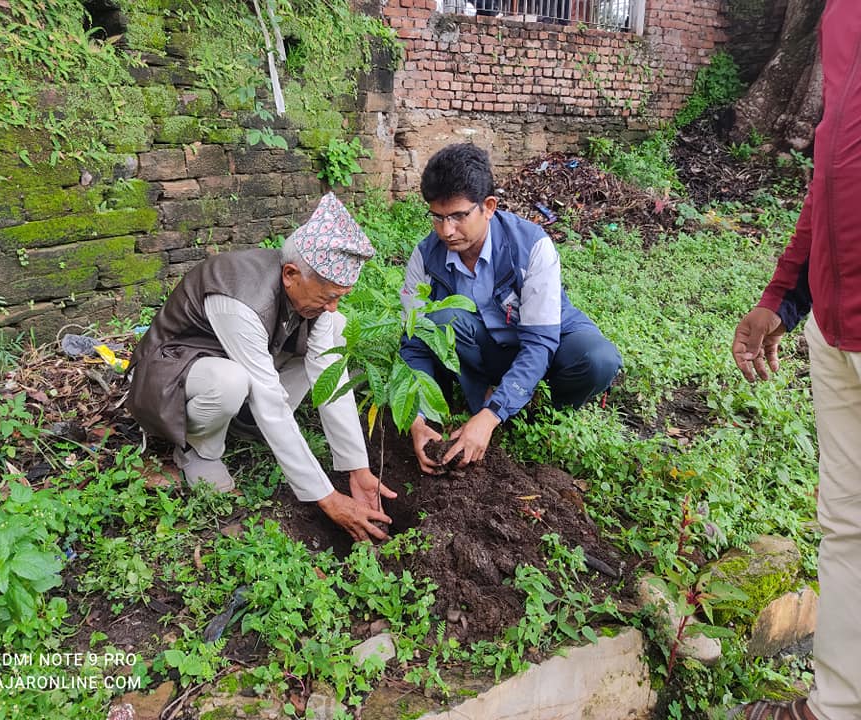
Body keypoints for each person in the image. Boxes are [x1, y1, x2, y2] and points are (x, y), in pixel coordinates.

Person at [127, 192, 395, 543]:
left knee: (337, 328)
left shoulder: (310, 298)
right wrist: (327, 499)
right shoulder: (240, 300)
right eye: (328, 296)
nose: (332, 306)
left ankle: (244, 425)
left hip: (225, 361)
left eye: (339, 297)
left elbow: (330, 377)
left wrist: (356, 468)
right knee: (230, 382)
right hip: (167, 373)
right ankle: (199, 451)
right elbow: (269, 397)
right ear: (290, 274)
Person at [730, 2, 860, 718]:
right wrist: (784, 296)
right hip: (839, 331)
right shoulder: (840, 16)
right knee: (846, 524)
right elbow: (833, 174)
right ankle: (836, 704)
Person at [399, 143, 621, 473]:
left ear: (488, 207)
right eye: (437, 217)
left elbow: (540, 344)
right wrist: (415, 418)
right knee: (442, 319)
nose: (446, 230)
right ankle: (489, 398)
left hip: (546, 344)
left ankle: (535, 411)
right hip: (485, 351)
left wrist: (491, 416)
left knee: (598, 359)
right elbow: (415, 344)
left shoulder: (531, 246)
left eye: (459, 216)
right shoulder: (426, 257)